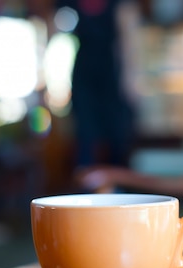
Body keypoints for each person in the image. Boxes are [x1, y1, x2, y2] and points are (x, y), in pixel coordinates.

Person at [57, 0, 141, 167]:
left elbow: (130, 41)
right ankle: (87, 187)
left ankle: (118, 185)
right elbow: (56, 31)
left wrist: (131, 80)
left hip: (113, 73)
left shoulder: (120, 4)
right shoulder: (68, 3)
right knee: (85, 136)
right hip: (83, 75)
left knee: (118, 134)